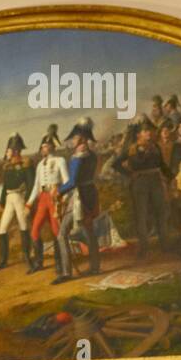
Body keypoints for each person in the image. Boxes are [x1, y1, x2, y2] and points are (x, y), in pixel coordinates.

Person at [112, 120, 171, 257]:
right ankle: (143, 249)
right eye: (145, 131)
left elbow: (162, 165)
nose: (149, 133)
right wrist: (129, 174)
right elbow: (116, 164)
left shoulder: (155, 146)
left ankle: (165, 246)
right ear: (139, 134)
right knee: (141, 216)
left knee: (161, 214)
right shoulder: (131, 149)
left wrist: (172, 176)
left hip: (156, 182)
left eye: (150, 131)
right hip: (139, 184)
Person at [53, 118, 101, 284]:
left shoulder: (77, 157)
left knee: (61, 234)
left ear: (81, 138)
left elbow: (73, 182)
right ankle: (95, 267)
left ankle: (67, 272)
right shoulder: (93, 155)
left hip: (79, 197)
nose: (73, 140)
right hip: (90, 195)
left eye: (74, 137)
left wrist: (59, 192)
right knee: (89, 233)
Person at [27, 133, 69, 275]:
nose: (44, 148)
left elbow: (67, 181)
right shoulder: (39, 165)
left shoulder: (60, 160)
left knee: (57, 232)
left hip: (54, 198)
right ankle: (39, 263)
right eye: (42, 146)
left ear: (52, 146)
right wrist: (29, 203)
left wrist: (63, 197)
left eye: (46, 146)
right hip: (43, 199)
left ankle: (59, 264)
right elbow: (36, 186)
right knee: (34, 230)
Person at [0, 133, 34, 271]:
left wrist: (28, 202)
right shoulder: (7, 166)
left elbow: (30, 184)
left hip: (20, 197)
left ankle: (27, 258)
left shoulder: (26, 164)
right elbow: (5, 187)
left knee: (23, 227)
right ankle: (3, 260)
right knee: (2, 229)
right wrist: (2, 202)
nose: (6, 152)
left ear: (15, 151)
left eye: (8, 150)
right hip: (9, 199)